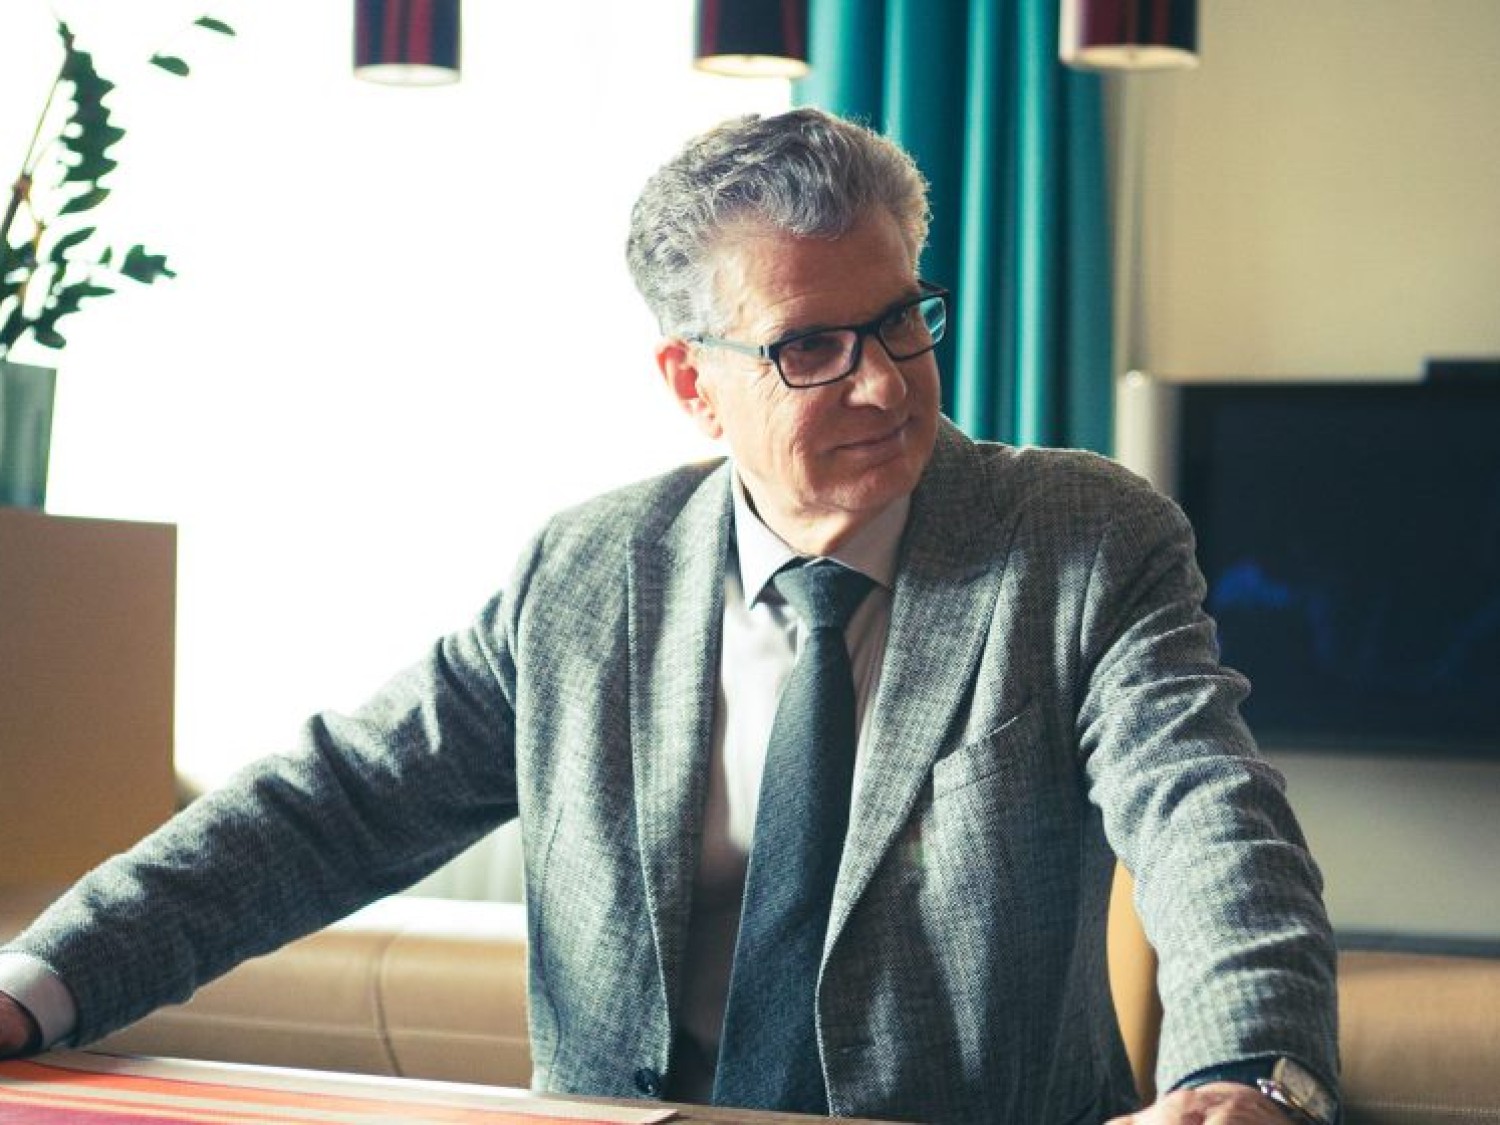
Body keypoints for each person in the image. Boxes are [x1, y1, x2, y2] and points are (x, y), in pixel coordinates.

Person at [0, 107, 1338, 1125]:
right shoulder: (586, 574)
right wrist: (36, 980)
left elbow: (1208, 813)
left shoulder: (1081, 539)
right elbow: (332, 806)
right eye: (812, 347)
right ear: (692, 385)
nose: (885, 384)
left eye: (902, 321)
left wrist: (1248, 1071)